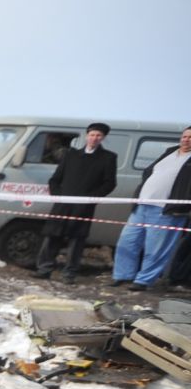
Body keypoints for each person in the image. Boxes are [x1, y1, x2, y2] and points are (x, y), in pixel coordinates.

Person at [35, 122, 118, 281]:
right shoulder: (71, 155)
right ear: (87, 136)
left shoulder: (108, 158)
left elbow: (109, 183)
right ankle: (44, 269)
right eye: (92, 135)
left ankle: (69, 274)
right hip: (62, 204)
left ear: (103, 138)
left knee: (76, 241)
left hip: (83, 207)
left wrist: (92, 197)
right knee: (51, 237)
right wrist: (58, 195)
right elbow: (55, 179)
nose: (94, 138)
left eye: (98, 135)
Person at [111, 125, 191, 291]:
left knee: (156, 248)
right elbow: (149, 172)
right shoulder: (169, 152)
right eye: (184, 136)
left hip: (167, 210)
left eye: (190, 137)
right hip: (142, 205)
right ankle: (123, 275)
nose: (186, 140)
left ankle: (143, 281)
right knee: (127, 241)